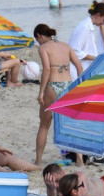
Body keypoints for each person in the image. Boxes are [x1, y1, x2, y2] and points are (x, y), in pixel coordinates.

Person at [34, 23, 83, 164]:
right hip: (68, 85)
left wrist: (41, 91)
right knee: (72, 124)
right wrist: (79, 85)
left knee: (44, 124)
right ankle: (79, 159)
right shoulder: (66, 46)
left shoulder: (43, 48)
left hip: (53, 85)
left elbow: (47, 70)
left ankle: (38, 160)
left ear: (39, 36)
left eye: (37, 40)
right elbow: (79, 66)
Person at [69, 1, 104, 74]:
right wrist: (95, 58)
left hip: (86, 67)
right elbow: (74, 51)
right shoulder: (84, 27)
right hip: (78, 70)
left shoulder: (89, 26)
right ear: (98, 15)